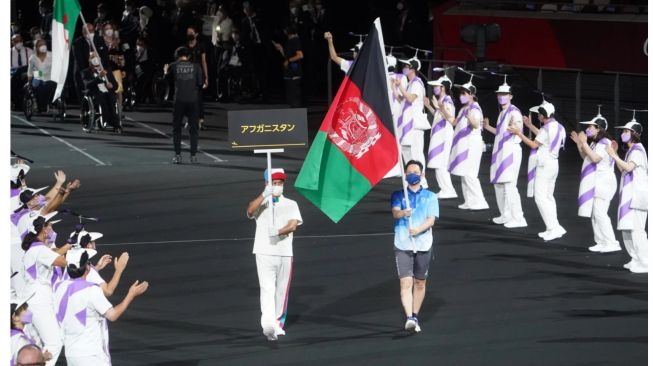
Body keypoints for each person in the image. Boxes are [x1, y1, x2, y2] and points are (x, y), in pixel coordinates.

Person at [55, 247, 149, 366]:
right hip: (92, 356)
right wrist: (131, 294)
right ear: (87, 267)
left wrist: (97, 268)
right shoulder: (91, 290)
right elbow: (113, 315)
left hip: (71, 354)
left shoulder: (58, 287)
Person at [246, 168, 303, 341]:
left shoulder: (291, 204)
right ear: (267, 184)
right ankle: (268, 323)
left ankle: (278, 324)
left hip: (285, 253)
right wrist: (264, 195)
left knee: (281, 290)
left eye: (280, 183)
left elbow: (293, 225)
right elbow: (249, 211)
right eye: (274, 183)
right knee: (267, 288)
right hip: (264, 251)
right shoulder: (261, 203)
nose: (278, 186)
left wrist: (277, 231)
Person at [390, 160, 438, 333]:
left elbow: (431, 220)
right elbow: (395, 213)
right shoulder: (398, 195)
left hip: (423, 244)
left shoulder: (431, 196)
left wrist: (417, 229)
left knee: (419, 282)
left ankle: (415, 314)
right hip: (403, 243)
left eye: (416, 172)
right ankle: (409, 317)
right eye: (409, 171)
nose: (412, 174)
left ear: (422, 174)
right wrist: (404, 213)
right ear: (405, 174)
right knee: (405, 282)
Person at [508, 101, 566, 241]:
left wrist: (519, 133)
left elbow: (534, 144)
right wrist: (529, 125)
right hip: (553, 164)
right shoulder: (559, 126)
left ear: (543, 115)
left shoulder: (546, 128)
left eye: (539, 114)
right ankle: (554, 226)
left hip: (544, 165)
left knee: (540, 198)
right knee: (548, 197)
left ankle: (553, 228)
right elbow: (542, 136)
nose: (538, 116)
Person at [21, 212, 72, 366]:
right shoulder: (40, 250)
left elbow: (53, 255)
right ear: (43, 230)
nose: (51, 229)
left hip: (29, 299)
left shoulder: (32, 249)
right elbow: (62, 262)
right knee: (55, 342)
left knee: (34, 344)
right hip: (39, 299)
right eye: (49, 226)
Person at [569, 114, 619, 252]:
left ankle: (612, 243)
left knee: (600, 212)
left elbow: (596, 158)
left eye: (590, 127)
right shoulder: (595, 142)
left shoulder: (605, 142)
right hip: (597, 180)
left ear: (599, 128)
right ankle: (601, 241)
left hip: (605, 181)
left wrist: (584, 143)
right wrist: (580, 144)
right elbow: (586, 157)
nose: (587, 129)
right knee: (595, 213)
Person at [483, 81, 527, 227]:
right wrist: (488, 127)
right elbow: (500, 133)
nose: (501, 97)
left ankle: (518, 218)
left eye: (504, 94)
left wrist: (516, 127)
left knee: (509, 185)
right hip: (500, 151)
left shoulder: (514, 112)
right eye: (499, 94)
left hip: (511, 151)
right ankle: (505, 214)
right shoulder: (502, 113)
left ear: (511, 96)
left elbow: (517, 130)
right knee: (499, 184)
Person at [606, 120, 648, 273]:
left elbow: (629, 167)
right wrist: (616, 154)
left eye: (626, 131)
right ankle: (636, 258)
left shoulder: (638, 150)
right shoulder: (631, 151)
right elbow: (624, 169)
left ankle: (646, 262)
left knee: (637, 231)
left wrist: (613, 156)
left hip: (637, 197)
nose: (623, 134)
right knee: (627, 229)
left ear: (634, 134)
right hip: (629, 196)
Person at [449, 79, 489, 210]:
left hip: (472, 145)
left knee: (470, 174)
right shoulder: (464, 109)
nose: (461, 96)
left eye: (464, 93)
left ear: (471, 94)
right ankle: (469, 200)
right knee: (463, 172)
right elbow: (453, 123)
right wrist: (442, 109)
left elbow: (477, 124)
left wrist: (469, 118)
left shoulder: (475, 108)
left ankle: (480, 201)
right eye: (461, 93)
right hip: (463, 144)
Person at [164, 46, 203, 164]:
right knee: (194, 130)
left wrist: (165, 72)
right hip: (193, 100)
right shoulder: (196, 66)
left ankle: (178, 156)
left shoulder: (173, 66)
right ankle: (193, 156)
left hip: (179, 101)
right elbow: (200, 83)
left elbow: (167, 81)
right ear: (189, 56)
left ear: (177, 55)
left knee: (176, 129)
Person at [394, 58, 429, 187]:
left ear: (413, 69)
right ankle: (411, 179)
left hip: (415, 124)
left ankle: (422, 182)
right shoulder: (409, 84)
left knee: (417, 152)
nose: (404, 68)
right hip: (407, 124)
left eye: (406, 66)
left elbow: (410, 98)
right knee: (406, 150)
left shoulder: (417, 84)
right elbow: (400, 99)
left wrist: (400, 86)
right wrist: (395, 86)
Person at [425, 75, 457, 199]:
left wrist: (439, 107)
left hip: (444, 135)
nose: (434, 88)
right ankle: (445, 189)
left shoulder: (447, 101)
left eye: (437, 86)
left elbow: (450, 118)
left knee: (441, 163)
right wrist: (429, 106)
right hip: (439, 134)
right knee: (438, 163)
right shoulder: (442, 101)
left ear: (443, 87)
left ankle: (448, 190)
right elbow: (438, 115)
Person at [82, 51, 122, 133]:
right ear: (90, 60)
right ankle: (103, 121)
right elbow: (87, 85)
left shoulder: (107, 70)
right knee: (101, 99)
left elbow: (116, 85)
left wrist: (112, 86)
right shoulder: (86, 72)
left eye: (97, 57)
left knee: (112, 99)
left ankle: (115, 124)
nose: (95, 59)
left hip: (107, 91)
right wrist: (99, 77)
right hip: (95, 92)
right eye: (93, 57)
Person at [11, 296, 53, 365]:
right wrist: (43, 357)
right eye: (25, 309)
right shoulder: (19, 339)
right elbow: (25, 361)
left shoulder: (13, 335)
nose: (29, 312)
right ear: (15, 317)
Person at [273, 25, 304, 108]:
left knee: (295, 98)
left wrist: (289, 61)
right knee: (290, 97)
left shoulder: (295, 40)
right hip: (289, 73)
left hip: (294, 72)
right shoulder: (289, 41)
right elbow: (287, 56)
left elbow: (300, 55)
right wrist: (281, 49)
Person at [186, 25, 209, 130]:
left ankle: (200, 121)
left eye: (191, 32)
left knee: (198, 98)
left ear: (196, 34)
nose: (189, 34)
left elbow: (204, 61)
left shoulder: (201, 46)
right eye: (188, 33)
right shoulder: (185, 46)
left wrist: (206, 77)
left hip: (198, 75)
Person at [27, 39, 57, 112]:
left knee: (49, 84)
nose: (43, 46)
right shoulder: (32, 58)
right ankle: (40, 104)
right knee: (38, 84)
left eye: (44, 44)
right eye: (40, 45)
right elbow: (30, 71)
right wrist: (29, 82)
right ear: (36, 47)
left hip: (50, 75)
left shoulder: (52, 55)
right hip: (38, 74)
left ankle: (49, 102)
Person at [11, 34, 33, 110]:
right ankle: (17, 104)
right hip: (13, 76)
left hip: (27, 74)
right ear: (13, 42)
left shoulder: (29, 51)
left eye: (20, 41)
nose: (19, 42)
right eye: (16, 41)